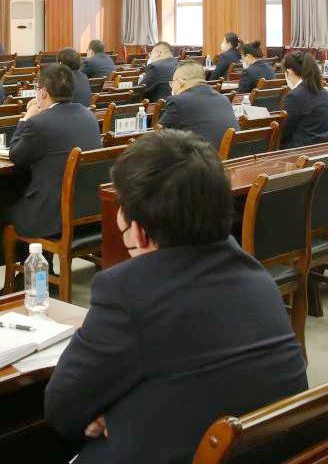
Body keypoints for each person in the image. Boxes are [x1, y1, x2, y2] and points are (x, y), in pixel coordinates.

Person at [46, 131, 308, 462]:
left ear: (138, 231)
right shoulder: (257, 276)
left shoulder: (128, 292)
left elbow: (63, 409)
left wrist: (116, 414)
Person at [5, 64, 102, 239]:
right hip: (88, 211)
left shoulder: (38, 123)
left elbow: (15, 155)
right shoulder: (89, 116)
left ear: (43, 92)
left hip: (49, 218)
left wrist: (27, 116)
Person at [157, 61, 237, 149]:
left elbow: (158, 135)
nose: (171, 87)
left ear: (181, 82)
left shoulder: (179, 101)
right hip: (231, 156)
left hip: (204, 156)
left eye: (172, 83)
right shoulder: (223, 99)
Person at [280, 51, 328, 148]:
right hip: (322, 147)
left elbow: (283, 131)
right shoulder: (324, 92)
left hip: (298, 150)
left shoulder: (294, 96)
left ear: (289, 72)